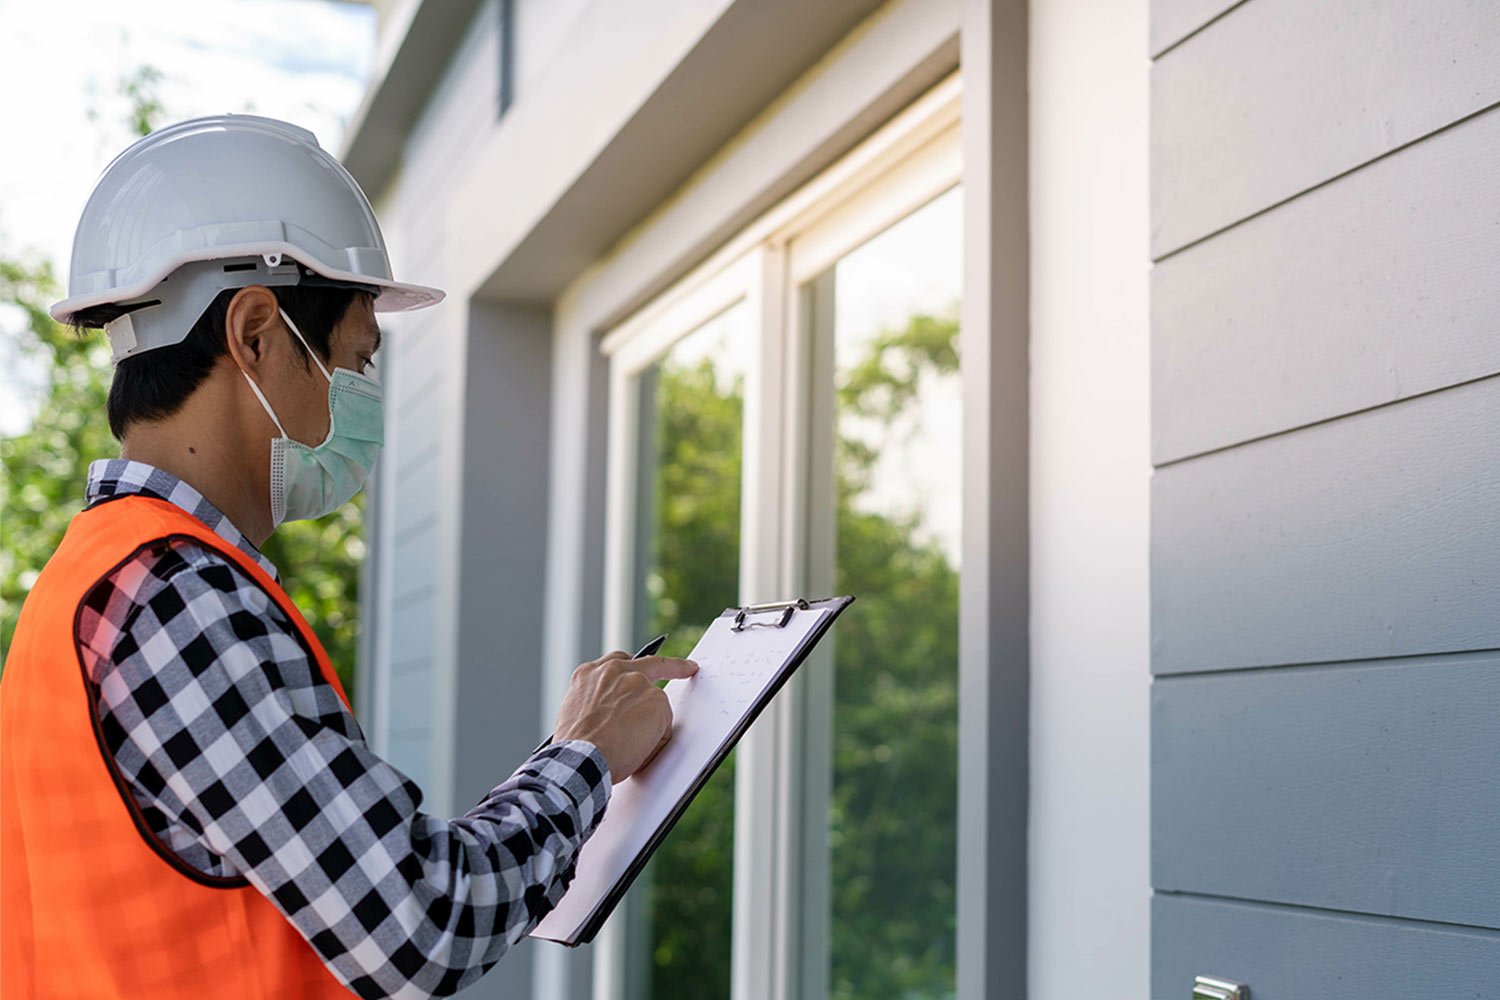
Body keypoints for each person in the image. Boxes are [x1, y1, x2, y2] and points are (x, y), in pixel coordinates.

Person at [0, 115, 696, 999]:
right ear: (254, 332)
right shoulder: (177, 597)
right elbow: (421, 926)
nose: (364, 397)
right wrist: (587, 756)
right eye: (356, 360)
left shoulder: (90, 579)